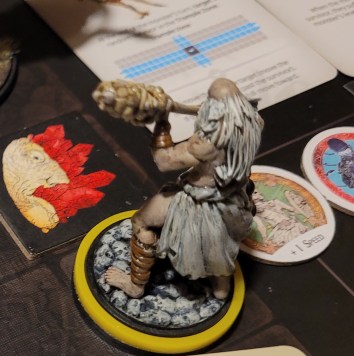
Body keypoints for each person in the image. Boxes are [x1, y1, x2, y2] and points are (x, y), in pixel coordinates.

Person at [97, 78, 262, 300]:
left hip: (200, 202)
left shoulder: (208, 143)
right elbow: (212, 112)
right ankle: (221, 288)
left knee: (141, 221)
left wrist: (162, 122)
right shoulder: (252, 123)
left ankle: (135, 286)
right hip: (231, 199)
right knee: (219, 248)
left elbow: (165, 161)